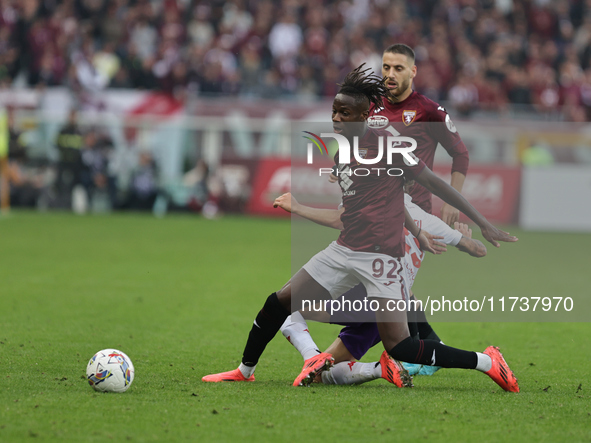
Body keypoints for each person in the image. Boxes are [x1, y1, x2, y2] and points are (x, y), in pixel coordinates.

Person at [202, 65, 519, 393]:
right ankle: (244, 370)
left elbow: (437, 186)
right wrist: (417, 231)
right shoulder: (342, 154)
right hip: (343, 250)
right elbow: (363, 209)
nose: (336, 119)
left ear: (365, 115)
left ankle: (488, 361)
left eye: (344, 113)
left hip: (381, 260)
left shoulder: (392, 149)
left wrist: (483, 224)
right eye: (334, 111)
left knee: (401, 347)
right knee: (279, 301)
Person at [273, 192, 487, 385]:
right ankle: (379, 369)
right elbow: (479, 249)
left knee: (284, 306)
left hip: (364, 296)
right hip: (392, 311)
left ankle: (312, 355)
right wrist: (465, 240)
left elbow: (339, 219)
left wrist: (298, 208)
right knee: (321, 373)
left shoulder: (372, 199)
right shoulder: (430, 222)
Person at [370, 43, 469, 225]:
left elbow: (461, 154)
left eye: (398, 68)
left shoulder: (430, 111)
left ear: (412, 71)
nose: (391, 74)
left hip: (414, 214)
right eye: (387, 68)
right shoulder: (369, 108)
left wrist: (452, 202)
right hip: (372, 212)